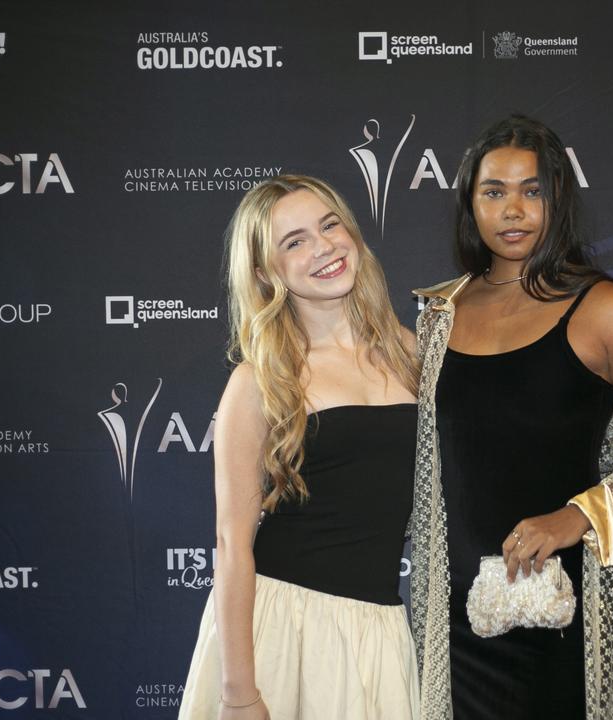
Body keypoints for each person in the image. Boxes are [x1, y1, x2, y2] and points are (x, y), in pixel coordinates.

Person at [409, 115, 613, 719]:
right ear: (471, 205)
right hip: (457, 625)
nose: (513, 209)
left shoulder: (605, 309)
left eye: (532, 190)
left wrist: (578, 516)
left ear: (558, 200)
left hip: (560, 611)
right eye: (494, 191)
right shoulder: (439, 313)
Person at [178, 175, 421, 720]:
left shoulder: (410, 350)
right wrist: (239, 693)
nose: (324, 247)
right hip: (283, 626)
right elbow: (230, 542)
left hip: (378, 627)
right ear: (266, 272)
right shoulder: (259, 377)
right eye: (295, 241)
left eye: (329, 225)